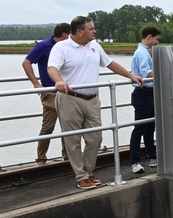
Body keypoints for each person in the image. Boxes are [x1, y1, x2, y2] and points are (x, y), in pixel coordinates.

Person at [48, 16, 144, 190]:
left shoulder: (94, 46)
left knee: (95, 138)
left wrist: (130, 75)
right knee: (73, 140)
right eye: (91, 29)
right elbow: (52, 68)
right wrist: (59, 81)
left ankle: (89, 171)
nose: (95, 31)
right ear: (79, 31)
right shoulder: (61, 47)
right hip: (70, 98)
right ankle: (81, 176)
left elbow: (110, 64)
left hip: (92, 99)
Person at [22, 22, 72, 164]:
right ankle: (41, 158)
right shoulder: (44, 46)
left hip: (67, 92)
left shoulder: (68, 47)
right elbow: (26, 63)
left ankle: (67, 157)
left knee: (68, 126)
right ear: (65, 34)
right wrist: (36, 84)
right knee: (48, 126)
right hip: (50, 92)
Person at [128, 26, 160, 174]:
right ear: (149, 37)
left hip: (150, 93)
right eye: (156, 39)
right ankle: (135, 161)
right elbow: (146, 73)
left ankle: (153, 156)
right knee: (140, 127)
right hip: (143, 93)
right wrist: (164, 69)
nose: (157, 42)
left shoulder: (147, 52)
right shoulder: (142, 53)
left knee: (150, 127)